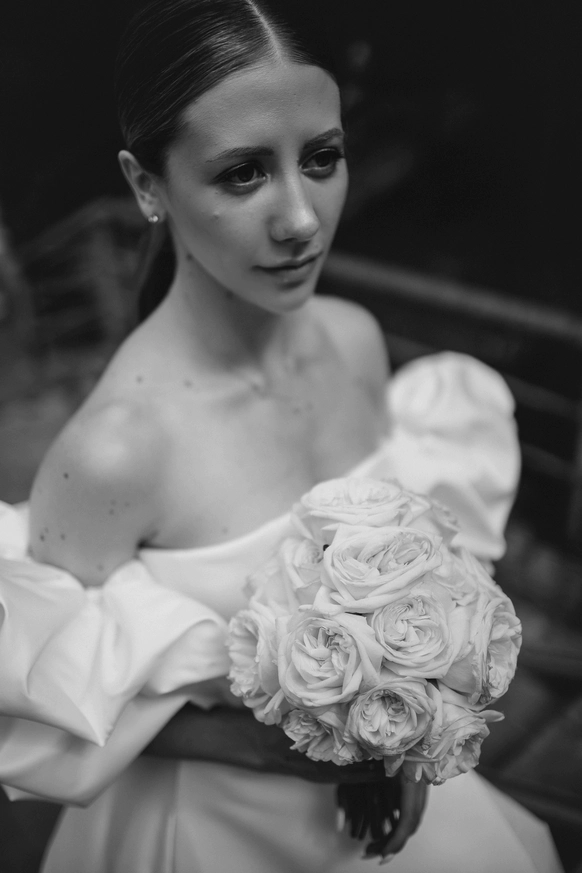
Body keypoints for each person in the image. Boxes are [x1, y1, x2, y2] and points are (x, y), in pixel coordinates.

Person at [0, 1, 564, 871]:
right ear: (147, 186)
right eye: (243, 173)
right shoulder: (114, 454)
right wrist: (266, 746)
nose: (301, 218)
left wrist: (408, 727)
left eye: (322, 158)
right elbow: (45, 695)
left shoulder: (353, 342)